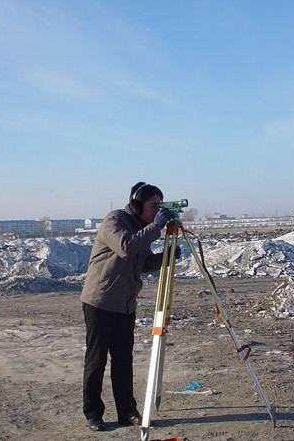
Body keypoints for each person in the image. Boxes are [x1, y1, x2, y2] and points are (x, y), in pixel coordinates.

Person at [80, 182, 178, 431]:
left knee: (123, 360)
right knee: (97, 360)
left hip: (125, 304)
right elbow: (126, 248)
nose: (157, 212)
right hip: (100, 300)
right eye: (153, 206)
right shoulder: (116, 220)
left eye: (160, 207)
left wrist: (166, 256)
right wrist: (157, 227)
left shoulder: (143, 229)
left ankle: (127, 412)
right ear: (137, 205)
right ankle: (93, 413)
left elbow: (142, 262)